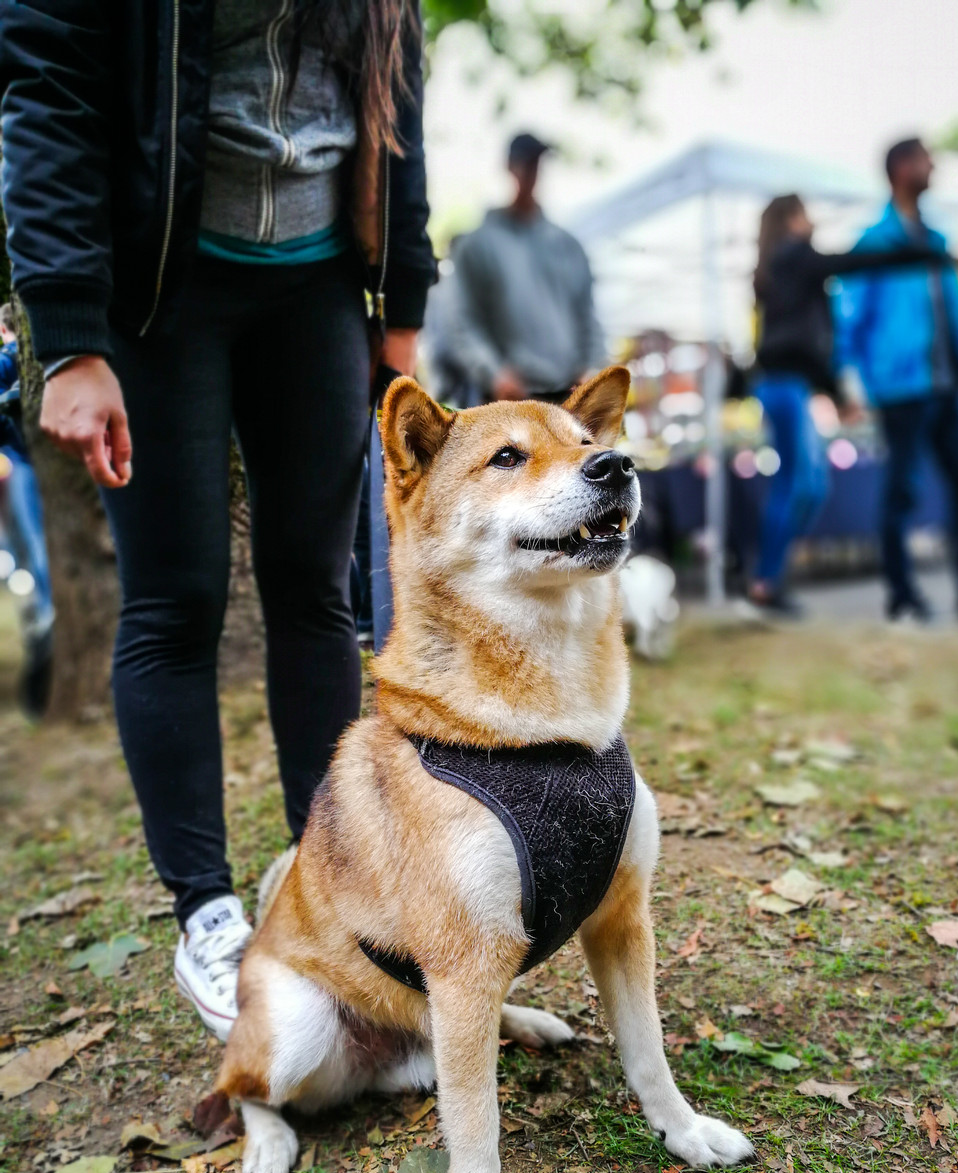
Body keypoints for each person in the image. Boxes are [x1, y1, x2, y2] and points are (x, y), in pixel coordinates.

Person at [0, 0, 436, 1040]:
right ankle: (207, 912)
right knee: (176, 600)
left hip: (323, 287)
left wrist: (402, 307)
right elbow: (46, 92)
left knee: (317, 593)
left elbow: (399, 105)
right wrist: (68, 337)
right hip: (161, 291)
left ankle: (337, 881)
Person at [836, 138, 958, 622]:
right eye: (925, 158)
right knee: (903, 492)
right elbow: (848, 318)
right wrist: (852, 384)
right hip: (902, 389)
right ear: (901, 168)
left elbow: (951, 312)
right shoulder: (875, 242)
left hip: (948, 386)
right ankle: (904, 599)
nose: (934, 165)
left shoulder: (936, 238)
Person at [751, 194, 948, 616]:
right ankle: (767, 580)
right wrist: (924, 252)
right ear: (791, 219)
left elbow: (796, 341)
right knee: (799, 484)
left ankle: (770, 574)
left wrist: (835, 393)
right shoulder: (796, 257)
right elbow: (852, 264)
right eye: (805, 213)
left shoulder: (775, 269)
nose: (812, 221)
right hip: (785, 386)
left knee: (808, 483)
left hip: (789, 386)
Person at [448, 132, 605, 402]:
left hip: (568, 395)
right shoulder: (476, 246)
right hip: (509, 399)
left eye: (536, 165)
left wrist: (590, 370)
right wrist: (494, 373)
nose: (531, 173)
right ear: (509, 167)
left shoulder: (568, 247)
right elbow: (464, 323)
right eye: (525, 164)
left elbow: (587, 316)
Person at [0, 303, 54, 716]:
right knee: (31, 561)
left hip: (30, 472)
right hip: (27, 470)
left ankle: (46, 625)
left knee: (37, 559)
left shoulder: (12, 357)